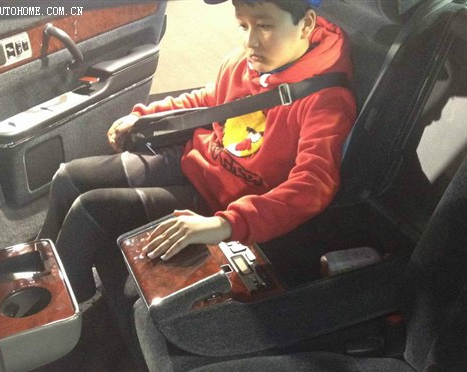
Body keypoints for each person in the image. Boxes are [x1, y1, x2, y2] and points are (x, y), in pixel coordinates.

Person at [38, 0, 357, 303]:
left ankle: (61, 309)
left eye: (264, 26)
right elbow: (207, 101)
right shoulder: (242, 62)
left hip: (221, 203)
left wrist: (225, 224)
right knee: (68, 178)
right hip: (192, 160)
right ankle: (42, 276)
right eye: (243, 26)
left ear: (306, 24)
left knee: (89, 211)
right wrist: (144, 116)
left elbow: (313, 186)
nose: (250, 42)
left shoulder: (327, 101)